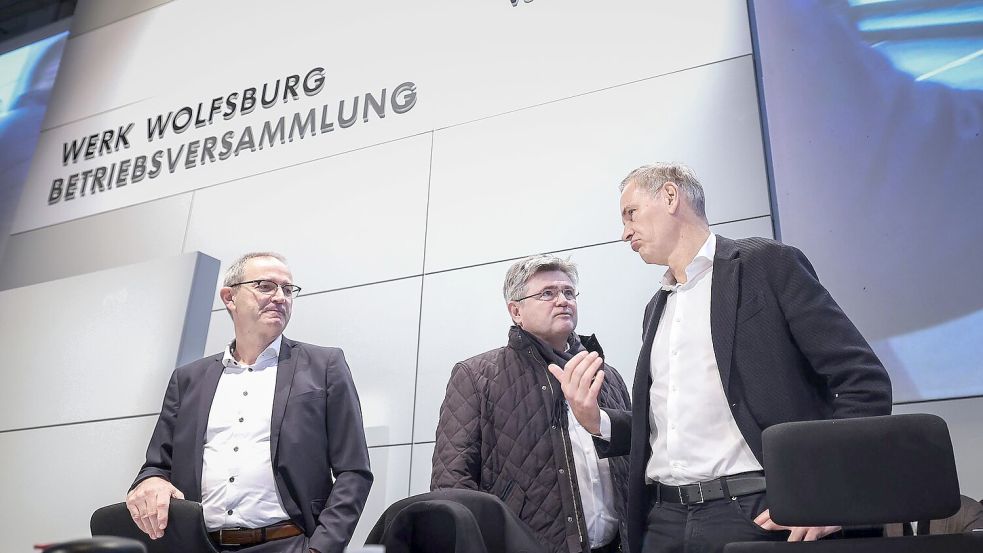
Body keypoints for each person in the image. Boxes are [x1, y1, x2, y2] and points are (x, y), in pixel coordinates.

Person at [548, 163, 893, 553]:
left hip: (758, 513)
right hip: (663, 520)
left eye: (631, 213)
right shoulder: (656, 307)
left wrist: (828, 491)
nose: (624, 232)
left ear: (670, 196)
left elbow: (862, 381)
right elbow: (668, 424)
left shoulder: (767, 265)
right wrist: (597, 421)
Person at [126, 252, 373, 553]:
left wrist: (320, 548)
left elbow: (354, 470)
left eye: (288, 289)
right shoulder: (188, 379)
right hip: (198, 545)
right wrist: (151, 481)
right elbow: (156, 466)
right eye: (266, 286)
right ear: (230, 297)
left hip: (288, 544)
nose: (281, 297)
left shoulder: (325, 366)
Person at [432, 255, 632, 553]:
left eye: (568, 292)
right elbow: (452, 484)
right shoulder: (476, 376)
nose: (562, 300)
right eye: (547, 293)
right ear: (516, 311)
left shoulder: (607, 375)